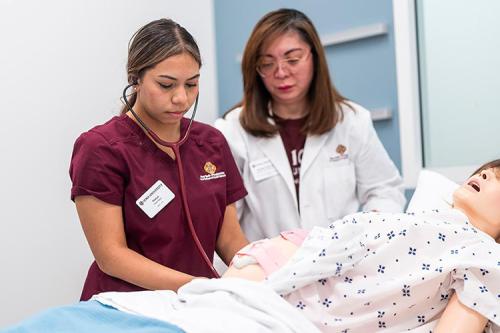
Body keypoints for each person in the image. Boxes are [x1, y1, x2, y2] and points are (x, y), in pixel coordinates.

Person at [69, 18, 249, 301]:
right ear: (135, 79)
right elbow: (111, 256)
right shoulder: (102, 149)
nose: (181, 98)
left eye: (191, 84)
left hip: (196, 304)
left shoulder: (211, 143)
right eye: (166, 85)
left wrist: (259, 274)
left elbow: (229, 239)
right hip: (128, 306)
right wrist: (197, 287)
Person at [223, 159, 500, 332]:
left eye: (498, 178)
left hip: (286, 300)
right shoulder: (432, 219)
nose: (486, 174)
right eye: (485, 170)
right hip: (283, 268)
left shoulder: (484, 256)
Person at [214, 8, 406, 242]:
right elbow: (226, 219)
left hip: (339, 265)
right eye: (267, 63)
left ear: (314, 56)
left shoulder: (352, 121)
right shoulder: (233, 130)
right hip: (268, 270)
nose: (281, 72)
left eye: (292, 59)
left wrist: (366, 235)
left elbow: (385, 191)